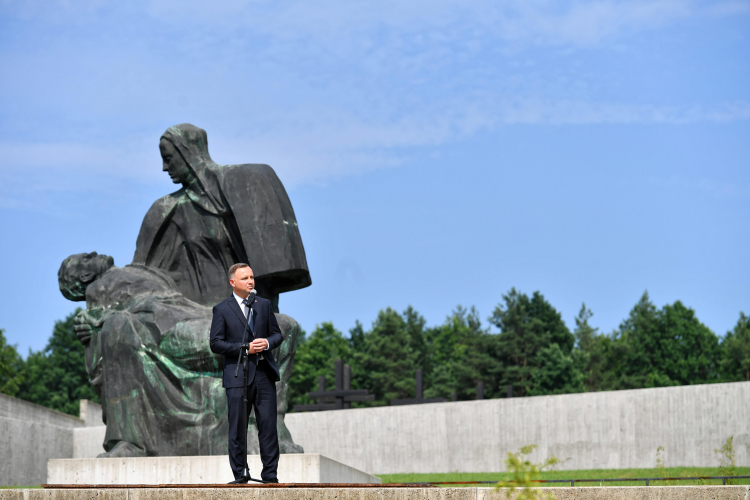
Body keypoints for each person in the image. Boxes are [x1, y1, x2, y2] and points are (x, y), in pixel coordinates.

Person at [58, 252, 302, 458]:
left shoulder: (136, 271)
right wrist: (92, 321)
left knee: (285, 327)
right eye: (85, 259)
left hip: (194, 315)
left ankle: (271, 431)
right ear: (84, 276)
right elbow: (101, 323)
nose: (93, 254)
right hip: (168, 329)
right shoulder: (99, 287)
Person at [133, 123, 311, 310]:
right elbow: (142, 275)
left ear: (187, 153)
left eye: (168, 159)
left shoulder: (241, 186)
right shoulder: (168, 209)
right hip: (194, 313)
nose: (164, 167)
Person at [210, 263, 283, 484]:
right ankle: (240, 474)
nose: (250, 281)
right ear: (233, 282)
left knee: (269, 427)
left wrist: (268, 343)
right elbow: (215, 343)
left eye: (252, 277)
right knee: (237, 428)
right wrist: (244, 348)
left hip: (263, 374)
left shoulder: (264, 305)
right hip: (237, 375)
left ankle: (270, 476)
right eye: (245, 278)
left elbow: (277, 335)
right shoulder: (222, 309)